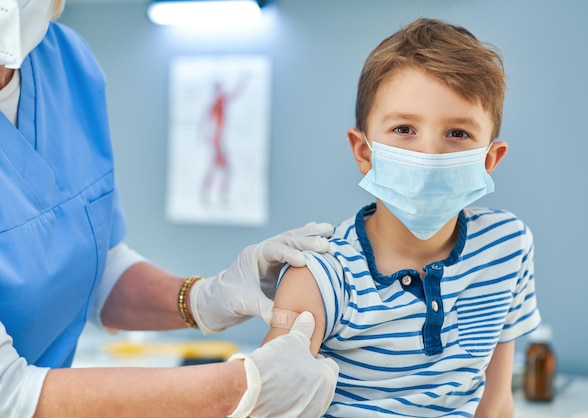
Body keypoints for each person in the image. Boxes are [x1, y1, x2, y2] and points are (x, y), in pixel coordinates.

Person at [0, 1, 339, 417]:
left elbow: (86, 263)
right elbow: (8, 395)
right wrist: (237, 387)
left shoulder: (66, 65)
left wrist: (202, 298)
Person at [263, 17, 541, 417]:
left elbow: (495, 404)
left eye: (458, 133)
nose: (428, 154)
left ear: (490, 159)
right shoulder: (321, 273)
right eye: (404, 128)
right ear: (364, 152)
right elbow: (269, 400)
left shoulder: (506, 245)